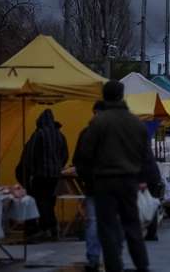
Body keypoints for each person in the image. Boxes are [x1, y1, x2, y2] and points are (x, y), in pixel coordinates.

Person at [75, 80, 150, 272]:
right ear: (121, 95)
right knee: (132, 225)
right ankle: (142, 265)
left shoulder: (98, 122)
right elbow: (146, 156)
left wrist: (88, 178)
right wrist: (149, 181)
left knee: (106, 227)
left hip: (104, 182)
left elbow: (84, 154)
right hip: (128, 181)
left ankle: (114, 266)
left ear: (104, 96)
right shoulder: (135, 123)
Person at [16, 108, 68, 240]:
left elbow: (30, 155)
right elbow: (65, 155)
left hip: (40, 175)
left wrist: (31, 172)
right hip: (55, 176)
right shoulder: (60, 135)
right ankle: (52, 228)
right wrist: (58, 167)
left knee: (40, 201)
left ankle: (46, 228)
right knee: (50, 202)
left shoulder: (38, 134)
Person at [74, 101, 105, 271]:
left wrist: (87, 178)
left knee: (93, 222)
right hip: (114, 185)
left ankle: (93, 258)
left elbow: (78, 161)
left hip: (93, 186)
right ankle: (113, 257)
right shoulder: (115, 132)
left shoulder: (86, 133)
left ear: (93, 112)